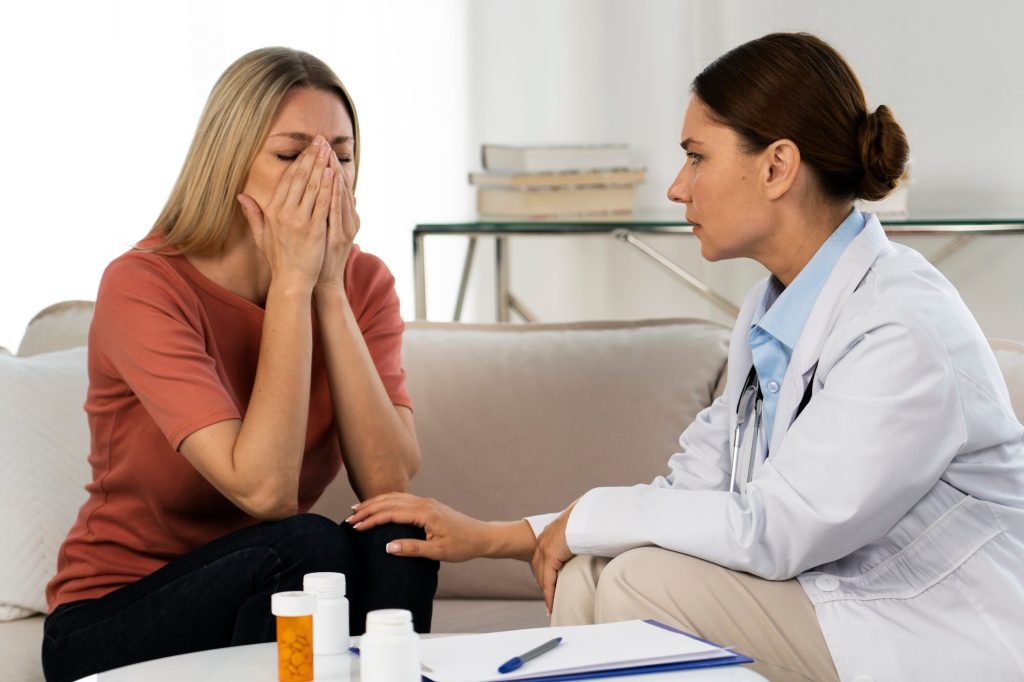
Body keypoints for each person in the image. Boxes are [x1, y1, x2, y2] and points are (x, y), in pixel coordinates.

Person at [347, 33, 1024, 682]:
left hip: (928, 632)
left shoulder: (900, 326)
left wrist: (586, 517)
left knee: (643, 581)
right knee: (590, 568)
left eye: (696, 156)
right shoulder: (772, 313)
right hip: (834, 603)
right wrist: (503, 536)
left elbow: (779, 528)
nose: (677, 186)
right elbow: (688, 498)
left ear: (777, 166)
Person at [42, 47, 438, 682]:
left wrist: (328, 289)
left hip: (270, 584)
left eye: (340, 155)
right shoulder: (144, 285)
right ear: (230, 165)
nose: (325, 177)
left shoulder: (363, 282)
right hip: (112, 617)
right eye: (291, 155)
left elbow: (388, 483)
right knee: (307, 543)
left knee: (398, 535)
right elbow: (265, 491)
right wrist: (290, 285)